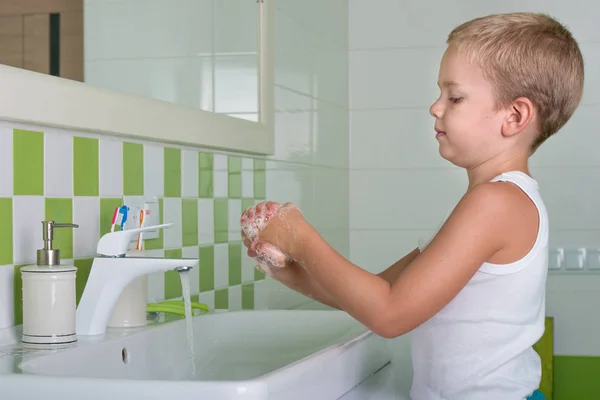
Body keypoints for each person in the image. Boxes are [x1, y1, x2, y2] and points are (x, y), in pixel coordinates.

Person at [240, 12, 584, 400]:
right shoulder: (490, 202)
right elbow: (376, 293)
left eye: (454, 97)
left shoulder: (497, 202)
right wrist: (289, 272)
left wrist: (299, 235)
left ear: (514, 116)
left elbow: (390, 315)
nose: (435, 108)